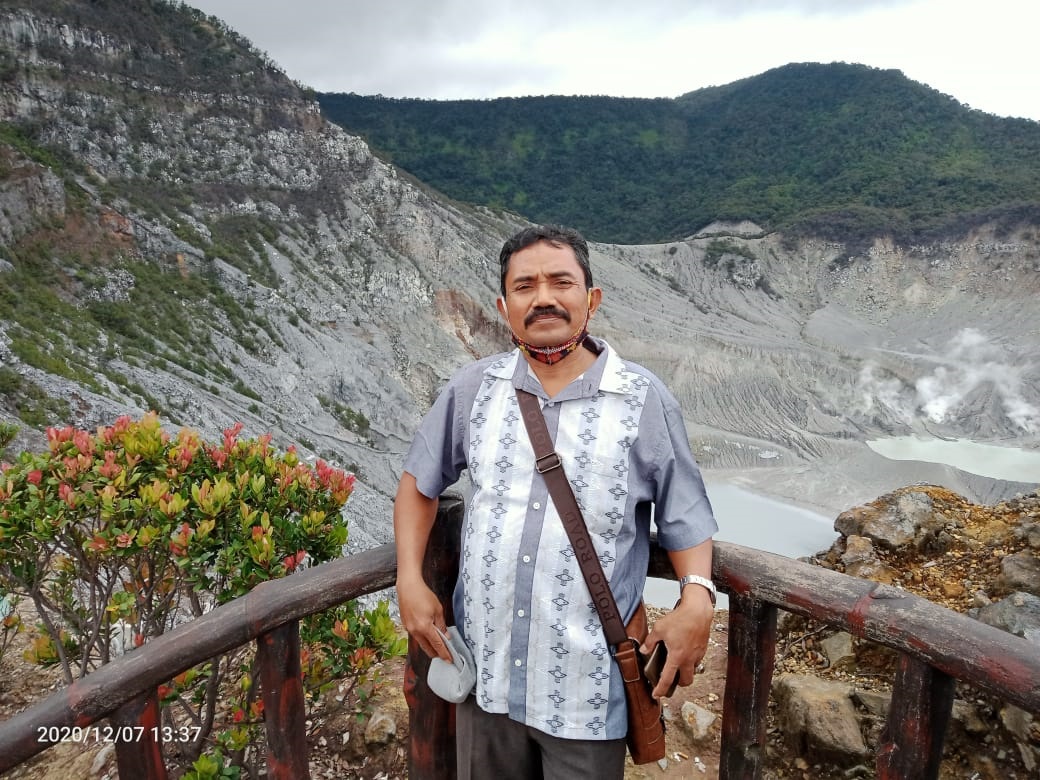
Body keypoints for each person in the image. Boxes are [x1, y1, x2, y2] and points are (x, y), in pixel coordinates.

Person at [394, 224, 717, 779]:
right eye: (525, 286)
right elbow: (418, 483)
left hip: (585, 688)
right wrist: (408, 578)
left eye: (560, 282)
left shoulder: (642, 399)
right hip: (486, 678)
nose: (543, 297)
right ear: (504, 305)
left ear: (590, 298)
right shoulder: (474, 389)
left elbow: (684, 514)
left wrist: (698, 597)